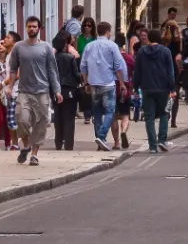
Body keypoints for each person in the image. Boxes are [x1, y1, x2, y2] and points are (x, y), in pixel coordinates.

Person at [8, 18, 59, 166]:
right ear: (26, 28)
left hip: (42, 91)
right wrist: (10, 87)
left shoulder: (46, 47)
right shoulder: (18, 47)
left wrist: (57, 90)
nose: (32, 29)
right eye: (29, 26)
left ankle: (34, 154)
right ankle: (27, 145)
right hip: (24, 91)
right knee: (21, 119)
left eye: (34, 26)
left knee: (40, 122)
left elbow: (52, 70)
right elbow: (13, 69)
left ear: (39, 29)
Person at [79, 21, 128, 151]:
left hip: (94, 84)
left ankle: (100, 142)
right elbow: (118, 66)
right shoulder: (112, 46)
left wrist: (86, 82)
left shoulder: (89, 46)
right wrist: (122, 83)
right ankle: (101, 136)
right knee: (110, 111)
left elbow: (83, 66)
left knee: (97, 112)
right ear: (107, 32)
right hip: (108, 83)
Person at [132, 27, 175, 152]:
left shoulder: (141, 52)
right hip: (163, 87)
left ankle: (152, 146)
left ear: (149, 38)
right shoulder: (166, 51)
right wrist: (172, 88)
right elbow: (170, 72)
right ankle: (162, 140)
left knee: (149, 117)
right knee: (164, 114)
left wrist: (135, 87)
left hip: (147, 87)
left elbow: (137, 72)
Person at [50, 31, 81, 151]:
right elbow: (76, 75)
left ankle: (58, 142)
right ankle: (68, 144)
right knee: (69, 119)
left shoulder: (52, 59)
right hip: (69, 91)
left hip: (55, 91)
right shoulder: (70, 58)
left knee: (58, 118)